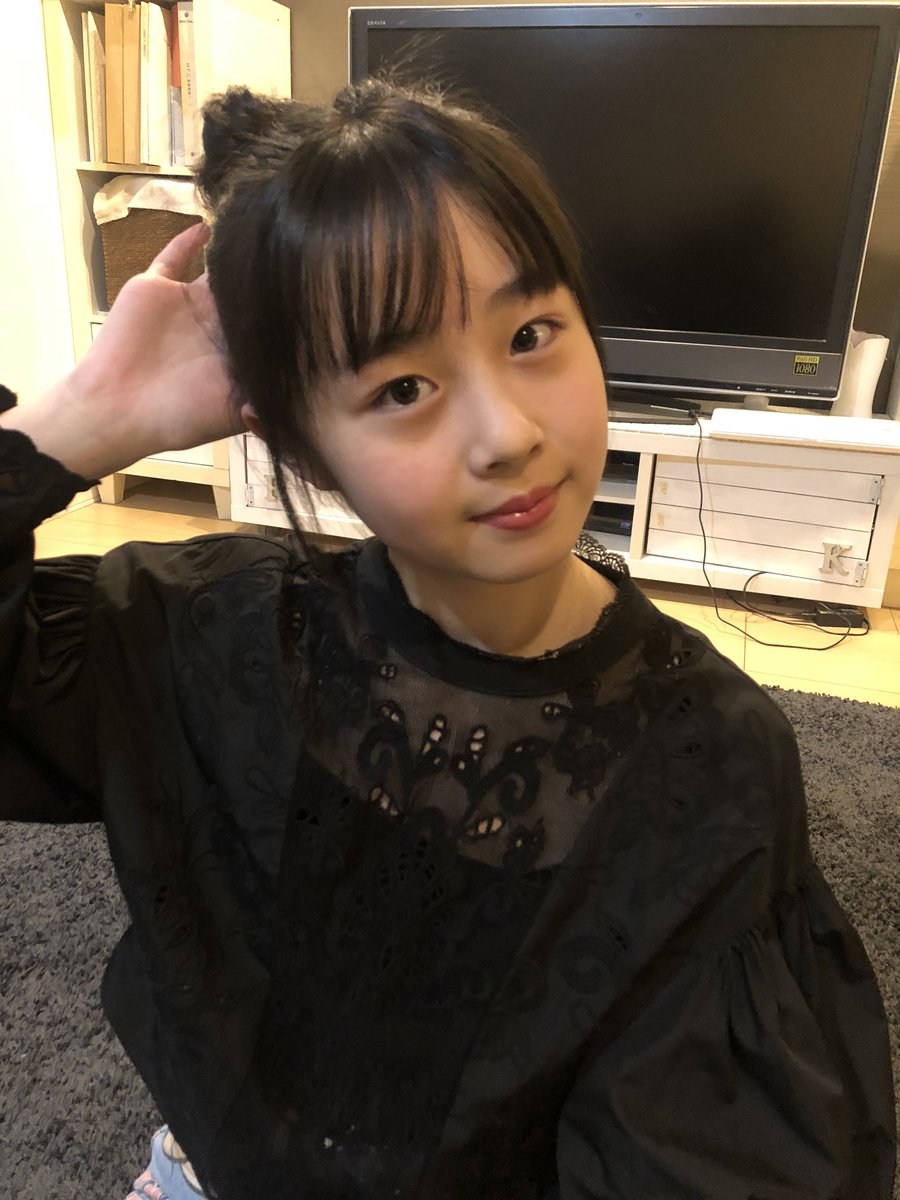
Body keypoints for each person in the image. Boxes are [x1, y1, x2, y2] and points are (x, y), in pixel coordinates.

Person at [0, 78, 895, 1200]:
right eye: (405, 386)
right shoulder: (214, 630)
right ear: (301, 447)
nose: (507, 434)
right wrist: (80, 421)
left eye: (532, 334)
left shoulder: (708, 762)